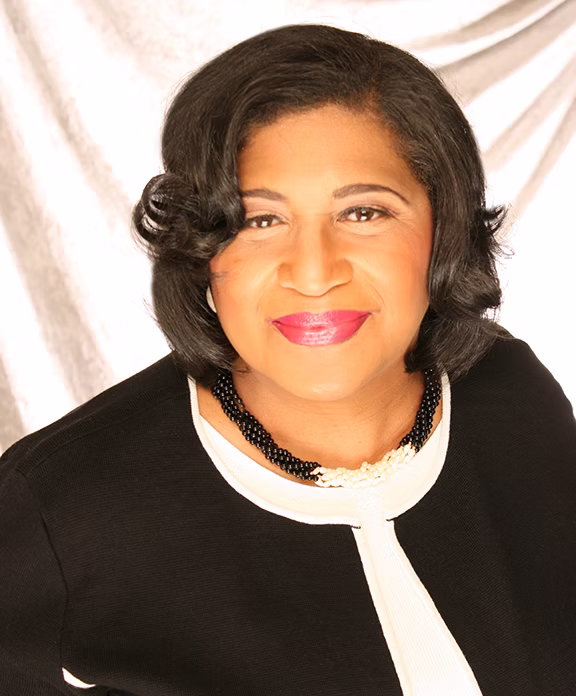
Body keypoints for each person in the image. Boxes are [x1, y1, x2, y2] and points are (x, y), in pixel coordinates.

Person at [1, 23, 574, 696]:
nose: (314, 271)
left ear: (442, 228)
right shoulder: (58, 511)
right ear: (201, 248)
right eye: (259, 220)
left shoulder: (511, 394)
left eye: (363, 213)